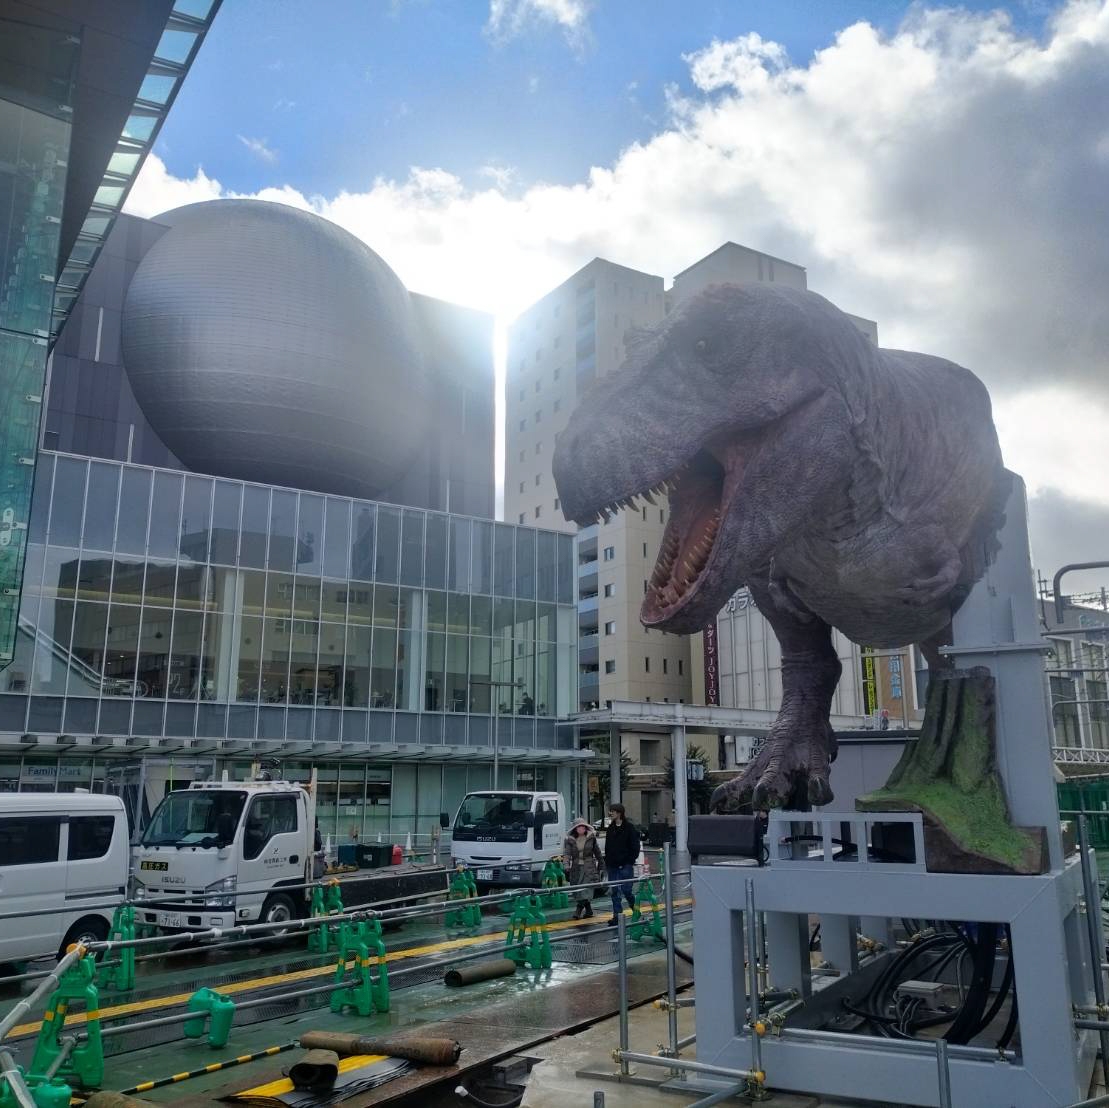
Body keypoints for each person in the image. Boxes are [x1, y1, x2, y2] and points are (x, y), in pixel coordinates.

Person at [603, 803, 640, 925]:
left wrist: (630, 860)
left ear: (619, 813)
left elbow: (635, 846)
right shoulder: (610, 829)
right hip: (612, 865)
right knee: (615, 891)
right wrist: (608, 861)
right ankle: (617, 916)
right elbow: (608, 847)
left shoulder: (629, 828)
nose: (611, 814)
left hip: (625, 864)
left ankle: (635, 908)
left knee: (626, 890)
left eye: (613, 811)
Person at [563, 818, 603, 919]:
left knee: (586, 890)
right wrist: (566, 865)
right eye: (579, 827)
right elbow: (567, 854)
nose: (581, 828)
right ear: (575, 829)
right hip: (576, 867)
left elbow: (597, 852)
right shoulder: (570, 840)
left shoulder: (591, 837)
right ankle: (589, 910)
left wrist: (602, 864)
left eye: (583, 826)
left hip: (589, 867)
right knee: (578, 890)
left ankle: (578, 910)